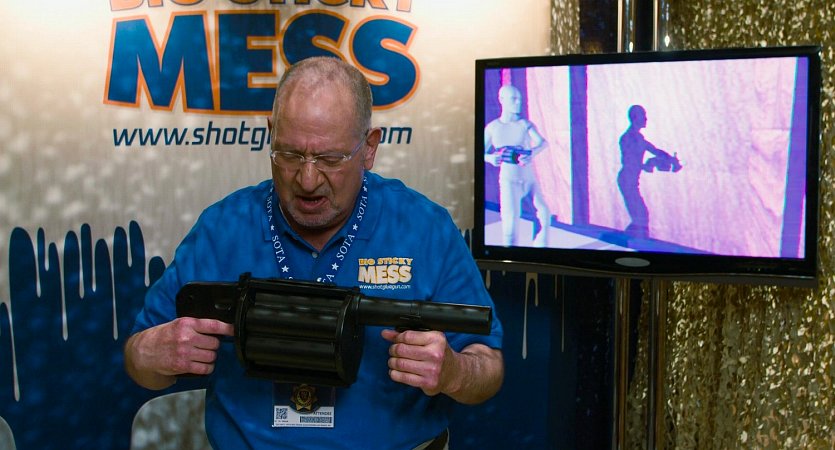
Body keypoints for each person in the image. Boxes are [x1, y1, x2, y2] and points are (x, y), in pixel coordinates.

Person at [124, 56, 504, 449]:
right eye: (289, 155)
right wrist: (152, 354)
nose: (307, 180)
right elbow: (139, 360)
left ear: (369, 148)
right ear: (270, 135)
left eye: (329, 159)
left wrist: (454, 372)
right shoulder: (222, 228)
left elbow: (488, 366)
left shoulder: (425, 228)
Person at [484, 84, 551, 247]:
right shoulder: (493, 128)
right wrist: (490, 158)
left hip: (529, 179)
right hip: (509, 181)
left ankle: (542, 253)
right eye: (514, 99)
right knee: (510, 225)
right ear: (501, 100)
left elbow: (543, 143)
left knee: (544, 213)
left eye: (519, 99)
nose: (518, 102)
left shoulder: (524, 124)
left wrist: (531, 153)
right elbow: (479, 151)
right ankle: (507, 258)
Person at [617, 104, 675, 239]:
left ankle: (631, 239)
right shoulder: (628, 138)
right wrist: (647, 165)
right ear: (635, 118)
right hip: (626, 180)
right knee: (641, 215)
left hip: (631, 181)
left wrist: (669, 159)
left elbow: (654, 150)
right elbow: (629, 162)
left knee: (641, 215)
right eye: (643, 116)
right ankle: (630, 240)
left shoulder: (638, 138)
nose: (646, 119)